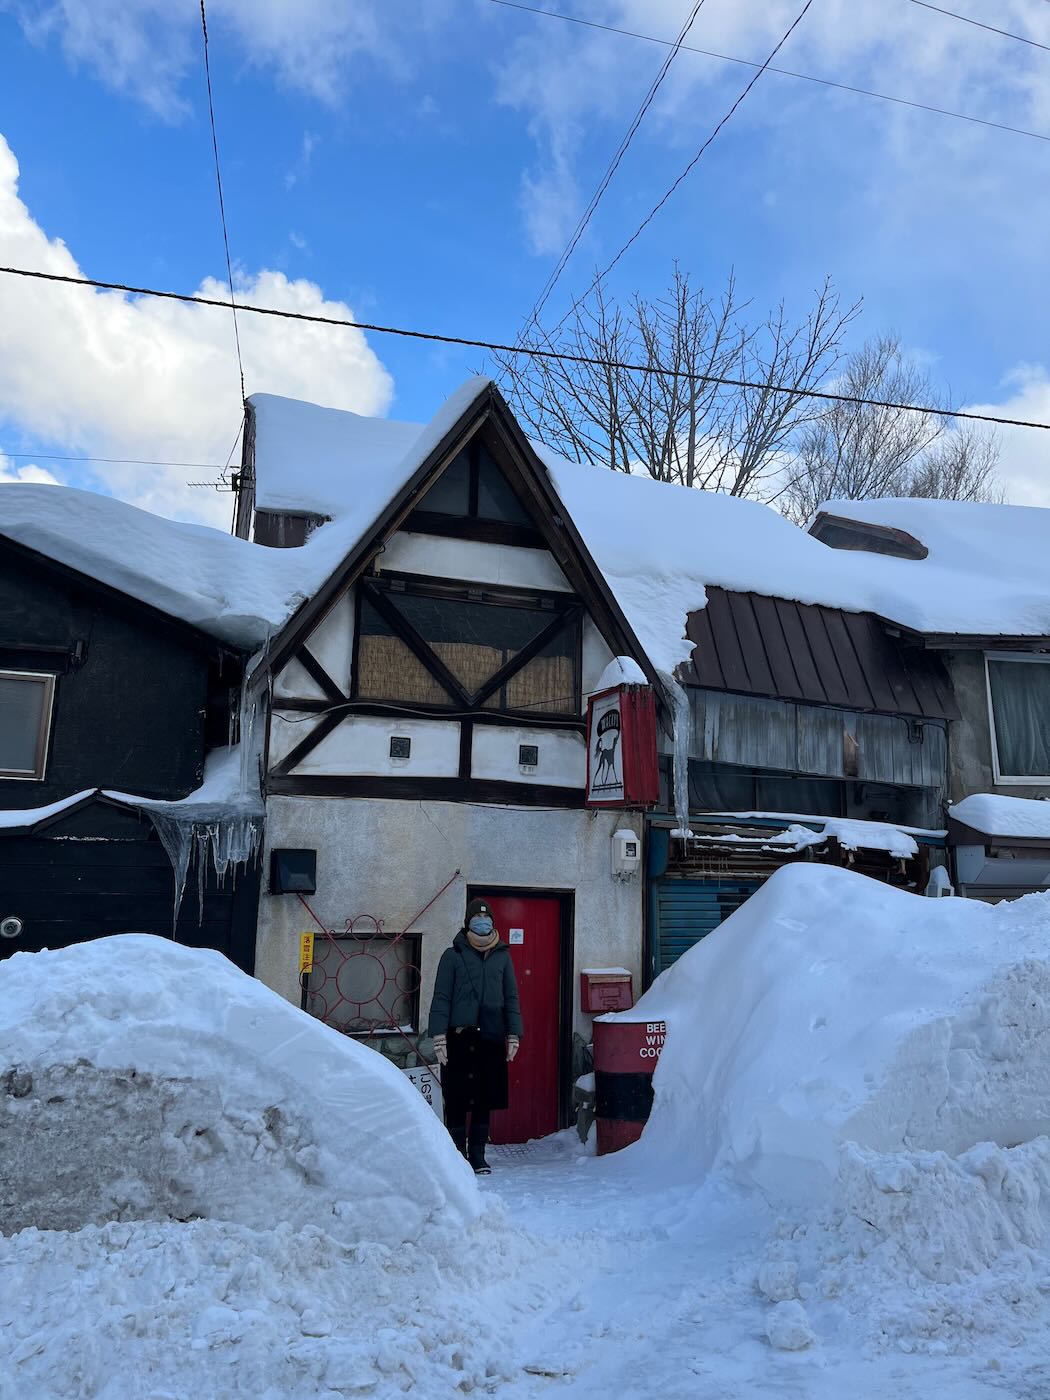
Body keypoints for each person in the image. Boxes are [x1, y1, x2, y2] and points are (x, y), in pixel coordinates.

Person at [427, 897, 523, 1175]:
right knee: (457, 1098)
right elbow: (441, 998)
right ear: (468, 922)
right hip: (459, 1038)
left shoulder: (503, 956)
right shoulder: (452, 955)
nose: (483, 923)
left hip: (491, 1036)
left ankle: (478, 1155)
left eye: (487, 919)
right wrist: (438, 1036)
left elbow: (511, 997)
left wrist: (514, 1033)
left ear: (493, 923)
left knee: (484, 1099)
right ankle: (458, 1153)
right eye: (477, 919)